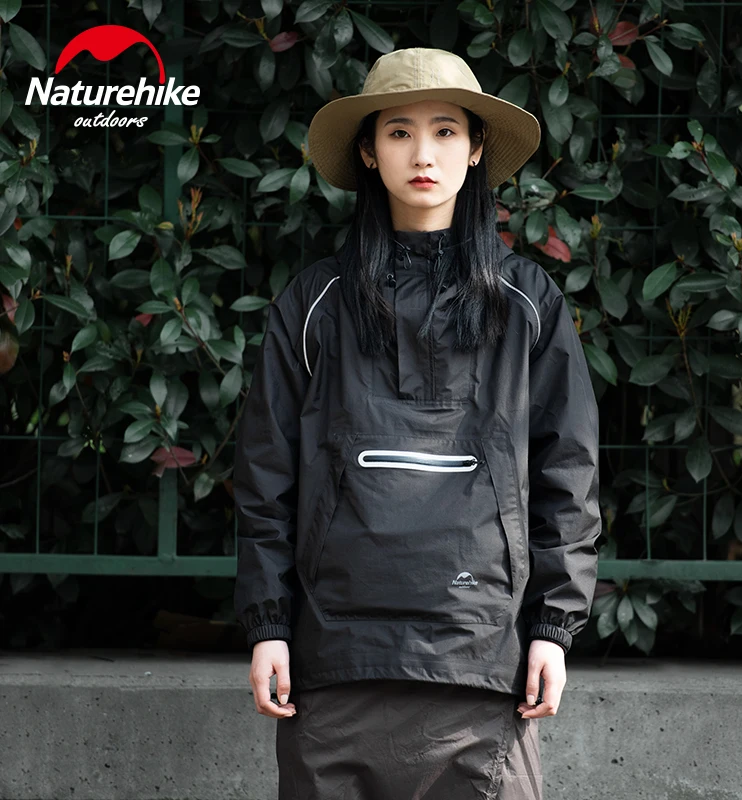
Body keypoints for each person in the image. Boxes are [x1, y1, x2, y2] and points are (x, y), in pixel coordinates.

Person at [233, 47, 601, 799]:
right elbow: (265, 474)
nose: (423, 154)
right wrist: (269, 625)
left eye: (445, 131)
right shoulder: (314, 304)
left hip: (482, 656)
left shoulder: (527, 303)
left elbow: (569, 471)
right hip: (335, 656)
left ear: (476, 149)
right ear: (369, 152)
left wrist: (553, 630)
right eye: (399, 132)